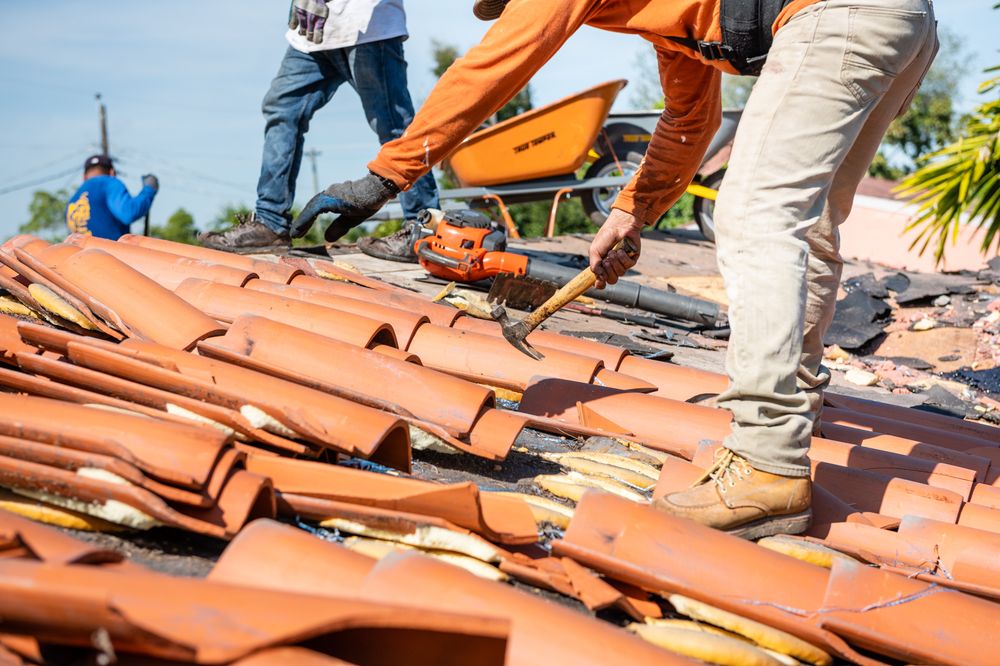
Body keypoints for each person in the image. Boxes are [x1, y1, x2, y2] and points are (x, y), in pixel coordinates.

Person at [288, 0, 939, 539]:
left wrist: (388, 174)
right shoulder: (669, 16)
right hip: (897, 21)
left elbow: (499, 62)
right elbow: (690, 117)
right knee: (808, 224)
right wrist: (632, 211)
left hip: (839, 14)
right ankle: (783, 421)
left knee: (757, 213)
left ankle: (768, 458)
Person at [199, 0, 439, 254]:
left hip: (369, 29)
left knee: (395, 128)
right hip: (312, 33)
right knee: (282, 109)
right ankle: (270, 223)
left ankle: (423, 229)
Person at [65, 154, 158, 241]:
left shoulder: (73, 199)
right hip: (109, 255)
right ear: (112, 172)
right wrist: (149, 189)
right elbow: (128, 213)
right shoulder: (109, 183)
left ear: (84, 176)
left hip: (81, 256)